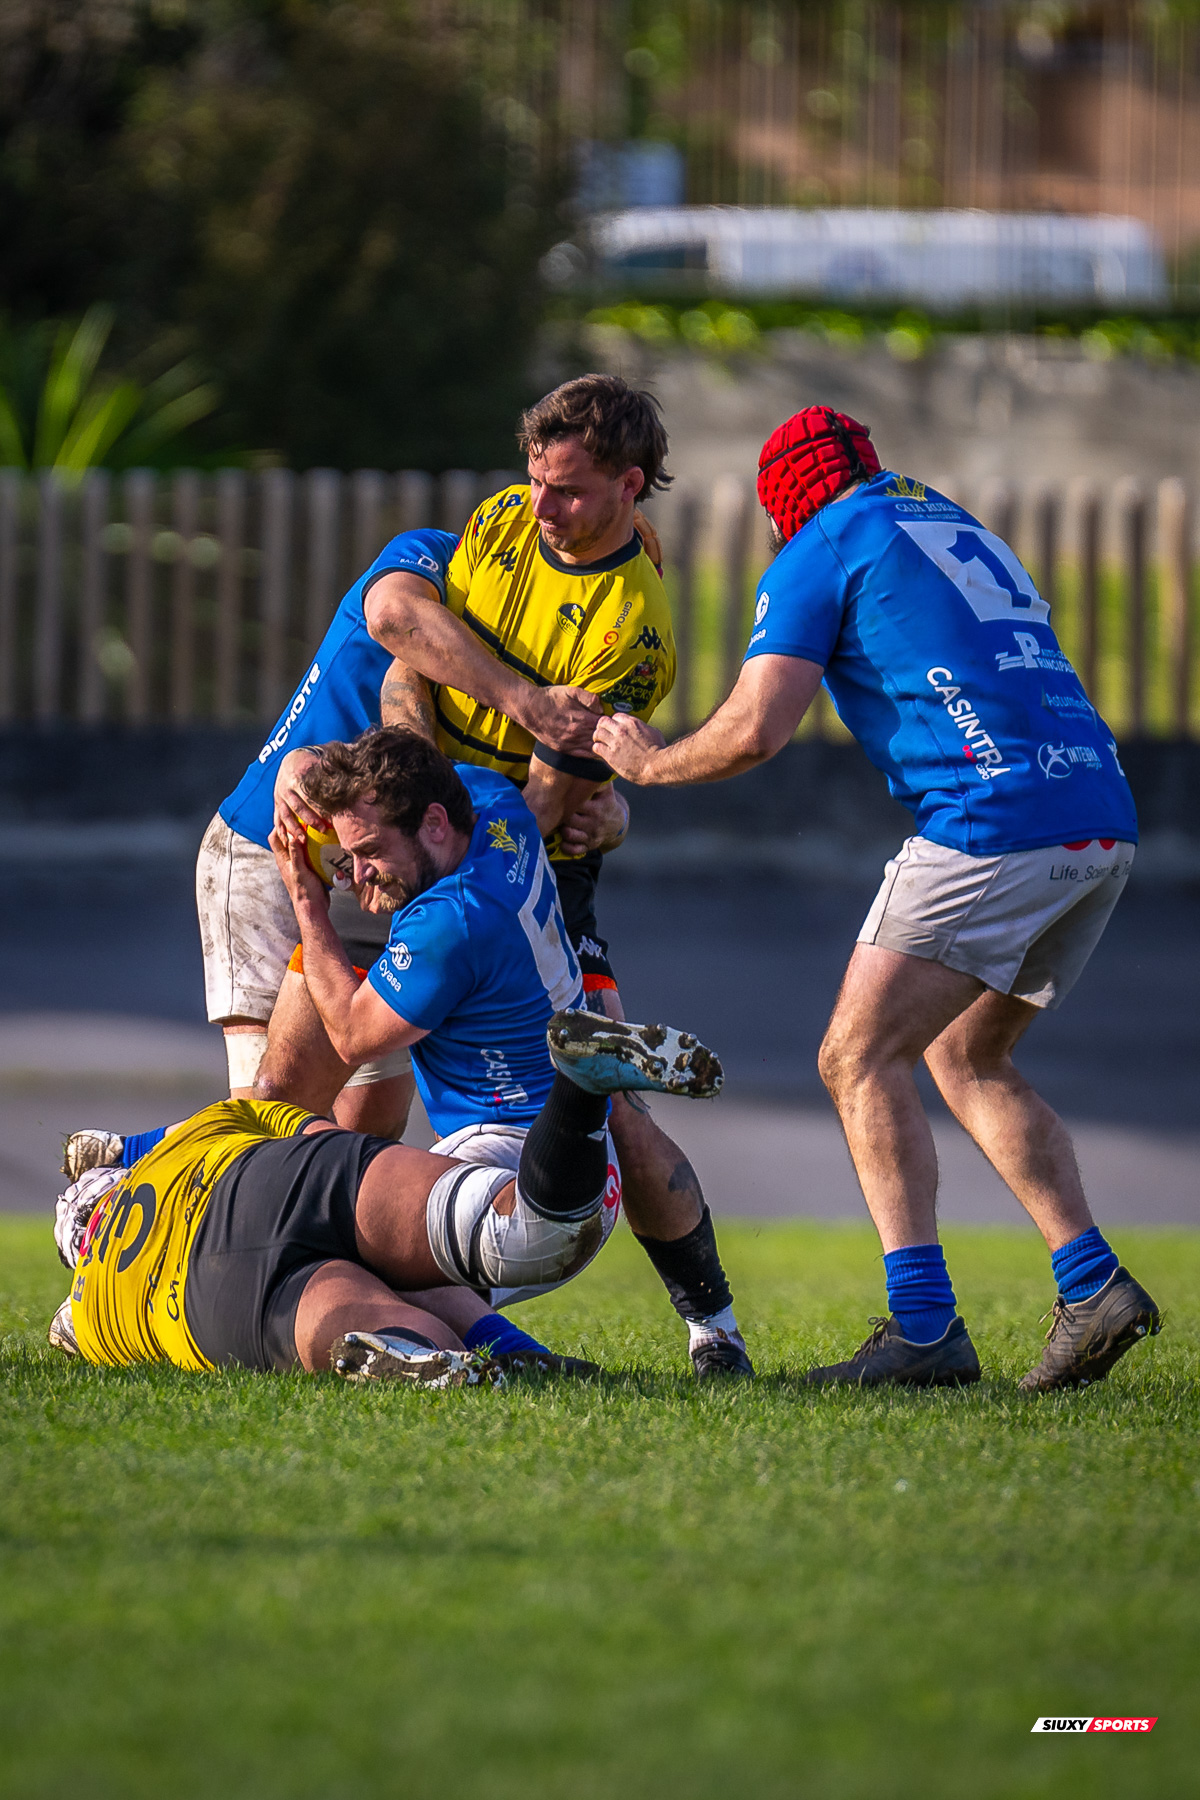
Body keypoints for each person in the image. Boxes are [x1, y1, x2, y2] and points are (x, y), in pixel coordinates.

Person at [593, 404, 1162, 1393]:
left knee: (856, 1057)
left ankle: (924, 1328)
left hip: (996, 821)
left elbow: (757, 730)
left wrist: (648, 762)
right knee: (965, 1055)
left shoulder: (822, 542)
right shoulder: (945, 519)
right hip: (1099, 818)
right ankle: (1092, 1282)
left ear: (784, 503)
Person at [269, 374, 753, 1380]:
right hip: (421, 826)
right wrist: (415, 807)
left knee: (600, 1109)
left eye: (569, 491)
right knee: (370, 1073)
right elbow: (407, 658)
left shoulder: (632, 631)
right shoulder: (498, 523)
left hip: (504, 859)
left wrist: (436, 886)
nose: (541, 507)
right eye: (535, 480)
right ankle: (370, 1233)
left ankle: (713, 1330)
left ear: (630, 486)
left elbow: (543, 809)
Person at [57, 728, 722, 1381]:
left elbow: (349, 1034)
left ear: (433, 825)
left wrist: (308, 904)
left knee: (349, 1263)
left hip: (523, 1166)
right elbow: (403, 764)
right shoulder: (490, 801)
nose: (357, 874)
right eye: (350, 855)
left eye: (370, 852)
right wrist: (305, 766)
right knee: (321, 1172)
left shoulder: (447, 924)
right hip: (571, 1153)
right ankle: (534, 1357)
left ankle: (518, 1357)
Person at [49, 1004, 722, 1385]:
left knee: (354, 1324)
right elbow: (306, 1126)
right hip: (273, 1173)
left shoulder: (93, 1299)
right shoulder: (192, 1139)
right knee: (521, 1238)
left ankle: (420, 1356)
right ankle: (577, 1087)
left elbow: (66, 1335)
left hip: (211, 1292)